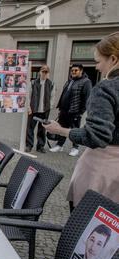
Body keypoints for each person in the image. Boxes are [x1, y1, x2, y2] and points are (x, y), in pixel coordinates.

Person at [44, 32, 119, 208]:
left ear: (113, 59)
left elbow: (96, 136)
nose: (98, 67)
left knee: (89, 227)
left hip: (102, 173)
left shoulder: (106, 88)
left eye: (99, 62)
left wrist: (59, 130)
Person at [49, 64, 93, 156]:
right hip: (64, 111)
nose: (73, 72)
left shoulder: (86, 82)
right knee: (61, 128)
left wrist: (80, 112)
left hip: (75, 112)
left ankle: (75, 148)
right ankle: (60, 145)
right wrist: (60, 107)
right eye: (72, 70)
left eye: (76, 70)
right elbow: (64, 94)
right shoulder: (70, 80)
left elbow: (87, 98)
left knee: (74, 129)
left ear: (81, 71)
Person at [26, 65, 55, 153]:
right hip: (33, 109)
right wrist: (28, 107)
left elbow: (52, 97)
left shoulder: (51, 83)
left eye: (46, 72)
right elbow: (28, 96)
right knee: (30, 128)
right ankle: (29, 145)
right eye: (43, 71)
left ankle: (40, 146)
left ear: (48, 73)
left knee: (42, 129)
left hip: (44, 110)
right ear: (40, 72)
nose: (44, 73)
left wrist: (50, 107)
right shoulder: (33, 82)